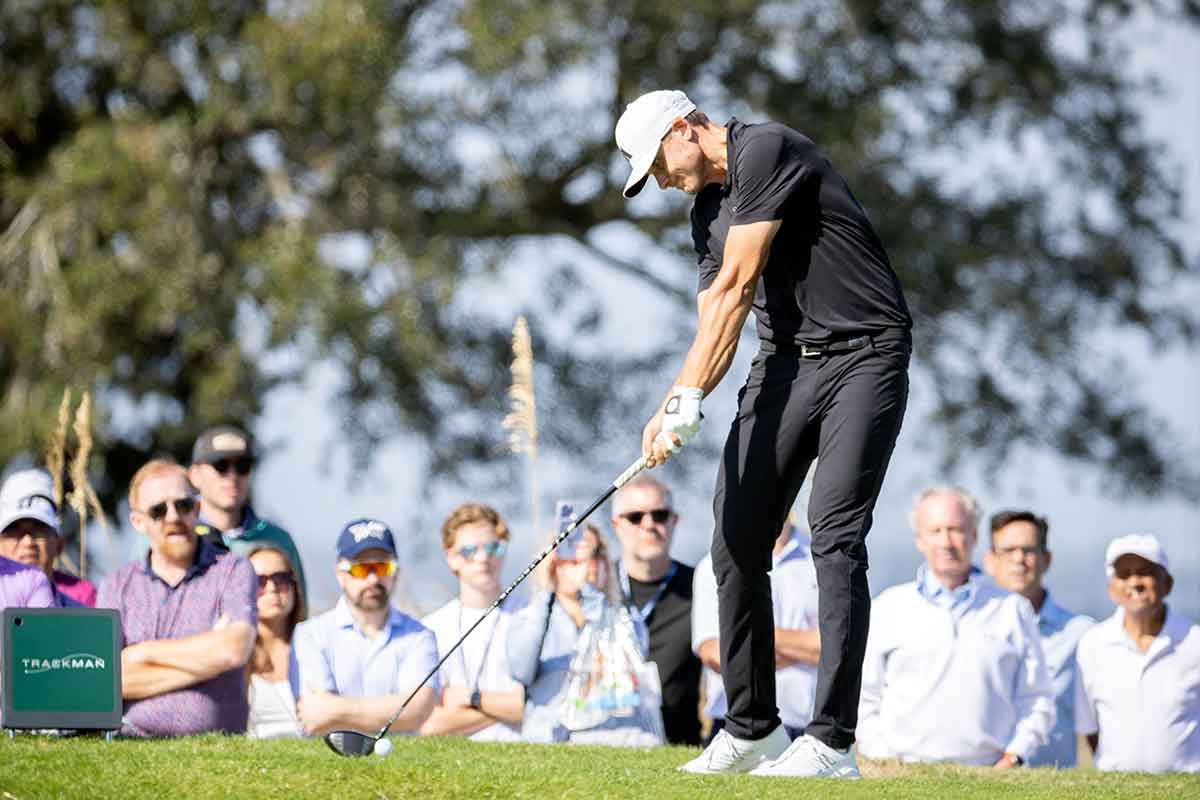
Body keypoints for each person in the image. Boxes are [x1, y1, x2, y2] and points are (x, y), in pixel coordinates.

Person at [614, 89, 911, 777]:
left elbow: (740, 283)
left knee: (833, 532)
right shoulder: (704, 213)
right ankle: (752, 728)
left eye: (656, 162)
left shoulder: (767, 148)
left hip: (866, 352)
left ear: (685, 130)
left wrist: (687, 396)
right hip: (783, 364)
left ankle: (833, 741)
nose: (657, 180)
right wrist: (672, 405)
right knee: (737, 535)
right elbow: (715, 320)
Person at [856, 486, 1055, 766]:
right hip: (903, 774)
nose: (946, 542)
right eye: (935, 531)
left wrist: (1014, 756)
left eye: (956, 530)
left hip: (990, 776)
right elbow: (864, 696)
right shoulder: (889, 607)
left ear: (974, 536)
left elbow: (1037, 699)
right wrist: (884, 758)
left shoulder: (1012, 609)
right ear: (919, 539)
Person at [97, 459, 257, 737]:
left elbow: (233, 649)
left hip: (217, 751)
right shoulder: (117, 585)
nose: (173, 517)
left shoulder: (233, 570)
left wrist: (141, 654)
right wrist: (208, 665)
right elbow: (104, 679)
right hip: (130, 747)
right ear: (138, 521)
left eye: (182, 505)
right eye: (158, 510)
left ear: (197, 508)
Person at [507, 524, 662, 746]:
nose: (584, 564)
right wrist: (546, 594)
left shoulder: (627, 621)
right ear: (554, 564)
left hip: (619, 738)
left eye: (593, 554)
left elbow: (636, 673)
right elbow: (520, 671)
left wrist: (591, 597)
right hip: (553, 737)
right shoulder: (530, 618)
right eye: (571, 555)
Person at [687, 516, 820, 762]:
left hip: (808, 732)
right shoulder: (713, 565)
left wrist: (747, 636)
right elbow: (716, 654)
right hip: (731, 727)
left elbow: (832, 647)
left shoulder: (821, 562)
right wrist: (802, 648)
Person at [290, 518, 438, 737]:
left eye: (382, 567)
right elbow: (314, 719)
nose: (372, 579)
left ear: (395, 572)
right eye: (361, 569)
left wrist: (334, 709)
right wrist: (395, 711)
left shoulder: (420, 636)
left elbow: (417, 711)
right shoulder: (309, 634)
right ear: (341, 575)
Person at [1075, 534, 1200, 773]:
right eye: (1124, 575)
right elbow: (1090, 730)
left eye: (1146, 572)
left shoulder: (1195, 641)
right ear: (1111, 588)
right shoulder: (1092, 645)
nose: (1135, 582)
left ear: (1167, 584)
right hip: (1112, 788)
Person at [983, 510, 1093, 768]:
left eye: (1029, 550)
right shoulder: (967, 629)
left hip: (1052, 785)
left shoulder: (1081, 634)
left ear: (1047, 559)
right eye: (1008, 550)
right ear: (990, 560)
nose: (1019, 559)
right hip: (975, 783)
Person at [610, 475, 702, 746]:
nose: (649, 525)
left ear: (674, 521)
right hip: (606, 742)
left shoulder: (701, 587)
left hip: (680, 744)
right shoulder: (596, 587)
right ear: (617, 525)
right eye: (635, 517)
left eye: (660, 515)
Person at [421, 503, 524, 741]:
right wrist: (509, 708)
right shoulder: (431, 629)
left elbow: (543, 708)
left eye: (493, 548)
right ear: (451, 558)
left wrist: (471, 698)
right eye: (469, 551)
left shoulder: (530, 618)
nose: (483, 558)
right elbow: (429, 723)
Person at [187, 425, 308, 604]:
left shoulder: (278, 540)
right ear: (195, 475)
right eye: (221, 465)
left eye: (242, 466)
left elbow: (299, 614)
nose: (233, 475)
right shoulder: (169, 535)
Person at [0, 468, 97, 607]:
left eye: (39, 529)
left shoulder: (83, 595)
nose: (27, 542)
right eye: (14, 530)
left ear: (59, 544)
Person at [246, 545, 307, 739]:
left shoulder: (315, 648)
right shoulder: (233, 654)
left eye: (281, 579)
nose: (271, 588)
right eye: (259, 581)